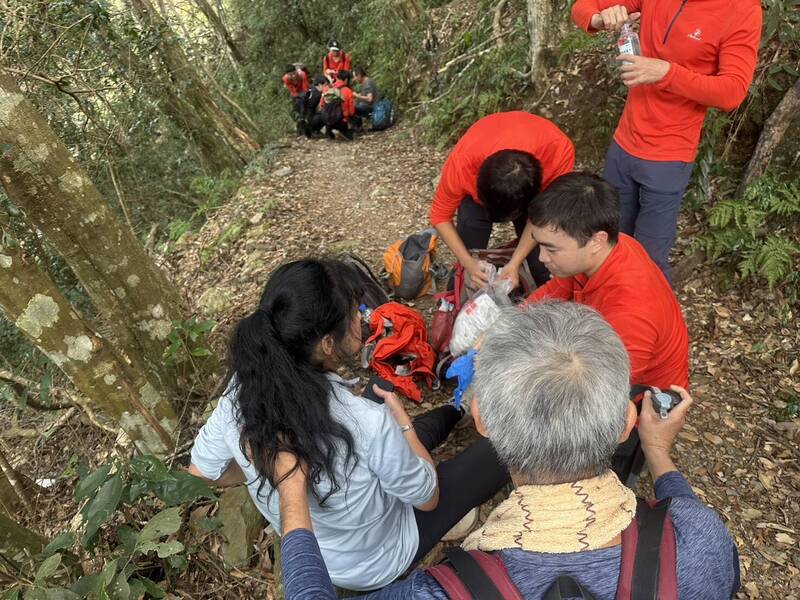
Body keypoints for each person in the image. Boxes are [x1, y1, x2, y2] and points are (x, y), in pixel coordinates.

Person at [276, 302, 741, 599]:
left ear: (482, 420)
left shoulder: (437, 591)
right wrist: (657, 450)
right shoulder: (701, 544)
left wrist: (293, 493)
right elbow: (683, 511)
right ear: (626, 422)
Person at [188, 259, 508, 592]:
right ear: (327, 343)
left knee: (390, 416)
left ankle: (455, 410)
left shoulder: (239, 392)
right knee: (491, 452)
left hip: (321, 559)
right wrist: (403, 425)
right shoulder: (364, 421)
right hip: (381, 559)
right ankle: (458, 412)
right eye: (356, 312)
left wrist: (257, 470)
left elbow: (201, 472)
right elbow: (428, 497)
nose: (363, 317)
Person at [570, 0, 762, 283]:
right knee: (605, 244)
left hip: (669, 157)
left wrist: (666, 73)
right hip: (623, 145)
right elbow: (582, 7)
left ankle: (648, 310)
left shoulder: (742, 9)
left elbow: (732, 91)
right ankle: (600, 306)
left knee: (648, 262)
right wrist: (600, 19)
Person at [525, 172, 688, 391]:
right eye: (540, 245)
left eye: (551, 249)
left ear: (596, 241)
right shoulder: (609, 249)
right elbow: (555, 290)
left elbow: (603, 392)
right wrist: (505, 328)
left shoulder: (631, 311)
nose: (541, 257)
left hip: (641, 399)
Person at [429, 111, 575, 289]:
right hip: (480, 169)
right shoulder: (462, 164)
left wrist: (514, 262)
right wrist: (468, 262)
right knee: (470, 247)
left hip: (535, 177)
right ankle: (456, 294)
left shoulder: (557, 151)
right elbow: (440, 216)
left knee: (541, 262)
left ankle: (547, 292)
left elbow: (543, 216)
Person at [320, 69, 356, 140]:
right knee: (356, 120)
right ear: (346, 80)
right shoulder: (348, 91)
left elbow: (322, 105)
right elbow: (351, 112)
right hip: (341, 121)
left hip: (327, 120)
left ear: (336, 78)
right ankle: (341, 131)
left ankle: (329, 131)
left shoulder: (327, 88)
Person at [281, 64, 310, 133]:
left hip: (303, 91)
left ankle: (304, 119)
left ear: (296, 71)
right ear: (287, 75)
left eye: (294, 73)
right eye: (291, 75)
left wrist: (303, 95)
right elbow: (293, 92)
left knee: (304, 102)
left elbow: (305, 88)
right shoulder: (286, 79)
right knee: (296, 108)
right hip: (296, 94)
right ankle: (299, 124)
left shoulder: (302, 74)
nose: (293, 76)